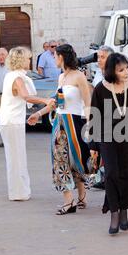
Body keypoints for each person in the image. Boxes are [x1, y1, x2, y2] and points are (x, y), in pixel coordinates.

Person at [28, 44, 92, 214]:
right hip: (60, 123)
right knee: (60, 161)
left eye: (55, 56)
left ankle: (82, 196)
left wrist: (90, 126)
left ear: (62, 57)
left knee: (77, 159)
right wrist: (39, 114)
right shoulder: (61, 77)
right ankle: (69, 201)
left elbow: (88, 103)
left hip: (76, 122)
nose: (53, 59)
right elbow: (56, 101)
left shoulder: (79, 76)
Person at [89, 53, 128, 235]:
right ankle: (114, 213)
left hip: (127, 136)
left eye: (127, 67)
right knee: (111, 174)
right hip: (107, 137)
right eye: (121, 70)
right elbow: (94, 118)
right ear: (112, 71)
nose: (126, 72)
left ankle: (124, 211)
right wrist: (93, 147)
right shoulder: (100, 89)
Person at [0, 47, 55, 201]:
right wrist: (45, 100)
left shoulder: (12, 75)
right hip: (12, 122)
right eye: (28, 58)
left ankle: (19, 191)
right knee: (16, 157)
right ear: (21, 60)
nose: (30, 61)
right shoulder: (17, 78)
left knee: (15, 157)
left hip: (9, 121)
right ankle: (18, 193)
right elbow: (26, 97)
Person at [91, 45, 115, 191]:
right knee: (101, 149)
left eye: (103, 57)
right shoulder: (99, 73)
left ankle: (111, 178)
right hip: (98, 115)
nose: (99, 60)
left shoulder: (113, 74)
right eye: (98, 57)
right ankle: (105, 177)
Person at [0, 48, 9, 147]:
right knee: (1, 120)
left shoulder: (10, 66)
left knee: (8, 119)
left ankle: (9, 141)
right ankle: (4, 141)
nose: (0, 57)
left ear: (7, 55)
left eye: (2, 54)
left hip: (8, 96)